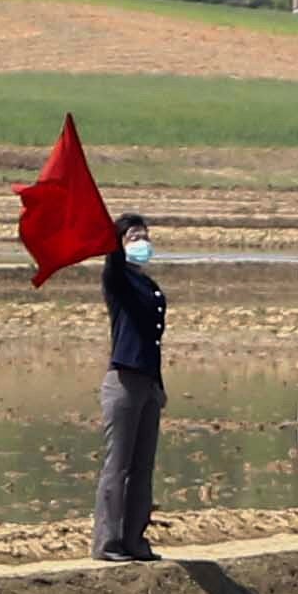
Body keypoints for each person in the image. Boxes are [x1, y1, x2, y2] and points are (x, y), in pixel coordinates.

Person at [92, 210, 165, 563]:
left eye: (145, 236)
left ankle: (135, 540)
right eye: (134, 236)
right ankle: (108, 543)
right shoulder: (117, 278)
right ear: (119, 244)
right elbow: (113, 264)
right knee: (117, 465)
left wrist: (158, 387)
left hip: (149, 382)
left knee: (142, 466)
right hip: (123, 381)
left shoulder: (149, 286)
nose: (143, 242)